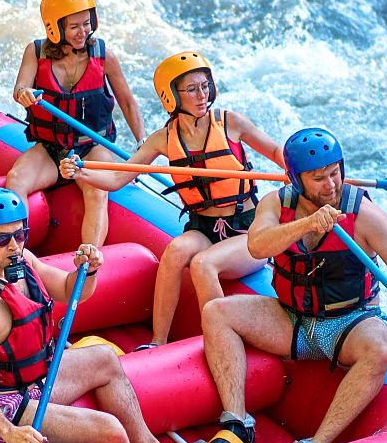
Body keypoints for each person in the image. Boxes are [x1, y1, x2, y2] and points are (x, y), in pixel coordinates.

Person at [198, 128, 387, 443]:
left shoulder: (364, 216)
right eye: (318, 178)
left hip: (348, 324)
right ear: (296, 180)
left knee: (381, 346)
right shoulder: (275, 204)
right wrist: (305, 225)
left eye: (335, 173)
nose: (331, 185)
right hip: (291, 318)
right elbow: (257, 244)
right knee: (217, 312)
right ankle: (237, 424)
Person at [0, 186, 206, 443]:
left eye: (19, 235)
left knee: (104, 358)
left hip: (31, 382)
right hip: (0, 408)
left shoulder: (22, 261)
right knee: (109, 429)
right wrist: (9, 432)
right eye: (3, 239)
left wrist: (86, 272)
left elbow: (70, 290)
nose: (14, 245)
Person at [59, 51, 285, 349]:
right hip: (203, 227)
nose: (202, 95)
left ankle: (221, 342)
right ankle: (157, 342)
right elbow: (116, 180)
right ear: (171, 97)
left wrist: (303, 174)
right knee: (175, 252)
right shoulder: (164, 138)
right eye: (192, 89)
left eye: (205, 86)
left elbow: (276, 153)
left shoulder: (231, 123)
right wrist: (79, 173)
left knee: (203, 264)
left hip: (247, 232)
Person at [5, 0, 145, 248]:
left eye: (86, 23)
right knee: (15, 180)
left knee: (97, 189)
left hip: (91, 147)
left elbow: (127, 102)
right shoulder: (35, 52)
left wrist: (141, 143)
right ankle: (16, 254)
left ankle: (88, 261)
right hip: (50, 149)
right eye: (74, 27)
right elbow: (20, 88)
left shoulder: (105, 57)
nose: (83, 32)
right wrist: (24, 93)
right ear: (54, 28)